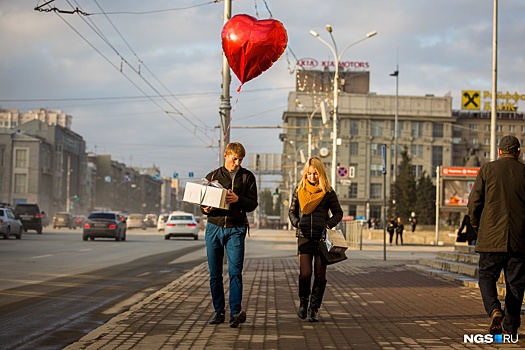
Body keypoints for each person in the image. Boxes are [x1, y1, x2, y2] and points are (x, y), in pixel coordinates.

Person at [468, 135, 525, 336]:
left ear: (499, 151)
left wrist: (478, 228)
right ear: (518, 152)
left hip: (491, 239)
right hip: (519, 240)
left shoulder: (487, 169)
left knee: (486, 277)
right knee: (516, 284)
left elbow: (474, 204)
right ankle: (510, 328)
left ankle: (494, 310)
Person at [201, 142, 258, 328]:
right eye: (234, 159)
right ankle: (219, 312)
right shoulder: (213, 176)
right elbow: (202, 202)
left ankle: (235, 313)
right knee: (215, 273)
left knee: (235, 272)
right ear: (225, 155)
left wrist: (238, 199)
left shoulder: (247, 177)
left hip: (236, 228)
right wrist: (205, 208)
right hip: (214, 227)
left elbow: (253, 204)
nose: (237, 163)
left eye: (240, 160)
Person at [289, 157, 343, 323]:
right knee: (305, 274)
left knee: (320, 275)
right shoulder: (299, 190)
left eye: (315, 173)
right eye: (309, 174)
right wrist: (297, 223)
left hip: (321, 239)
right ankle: (303, 303)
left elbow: (338, 213)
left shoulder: (327, 191)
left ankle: (314, 308)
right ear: (305, 174)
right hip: (304, 237)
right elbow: (292, 212)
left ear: (321, 173)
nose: (312, 177)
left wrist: (328, 224)